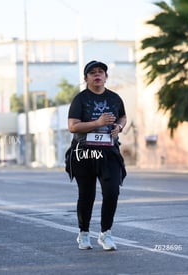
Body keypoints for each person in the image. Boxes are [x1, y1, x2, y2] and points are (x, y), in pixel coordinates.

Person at [67, 60, 127, 251]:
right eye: (92, 73)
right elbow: (72, 126)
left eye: (100, 72)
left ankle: (105, 234)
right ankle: (83, 233)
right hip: (84, 152)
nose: (97, 75)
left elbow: (123, 116)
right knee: (87, 195)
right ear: (86, 78)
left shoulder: (115, 98)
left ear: (106, 76)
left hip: (108, 152)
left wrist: (119, 127)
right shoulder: (80, 99)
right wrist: (97, 122)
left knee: (112, 192)